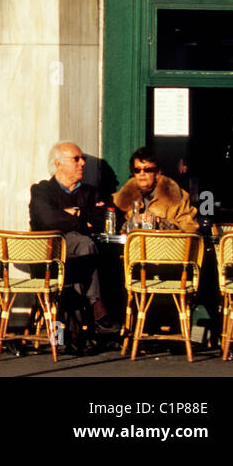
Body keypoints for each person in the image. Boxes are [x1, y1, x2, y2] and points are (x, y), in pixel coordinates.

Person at [28, 142, 118, 341]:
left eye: (82, 158)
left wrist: (71, 214)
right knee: (83, 243)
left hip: (74, 260)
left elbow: (100, 218)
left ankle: (69, 336)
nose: (82, 163)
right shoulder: (42, 190)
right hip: (48, 258)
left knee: (76, 269)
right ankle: (97, 306)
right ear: (58, 164)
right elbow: (47, 219)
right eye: (76, 159)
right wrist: (81, 218)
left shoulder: (89, 192)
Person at [112, 147, 200, 232]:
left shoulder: (178, 197)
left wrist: (160, 223)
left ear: (158, 173)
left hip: (165, 246)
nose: (142, 174)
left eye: (148, 170)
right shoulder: (120, 199)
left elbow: (191, 230)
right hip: (131, 246)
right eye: (137, 170)